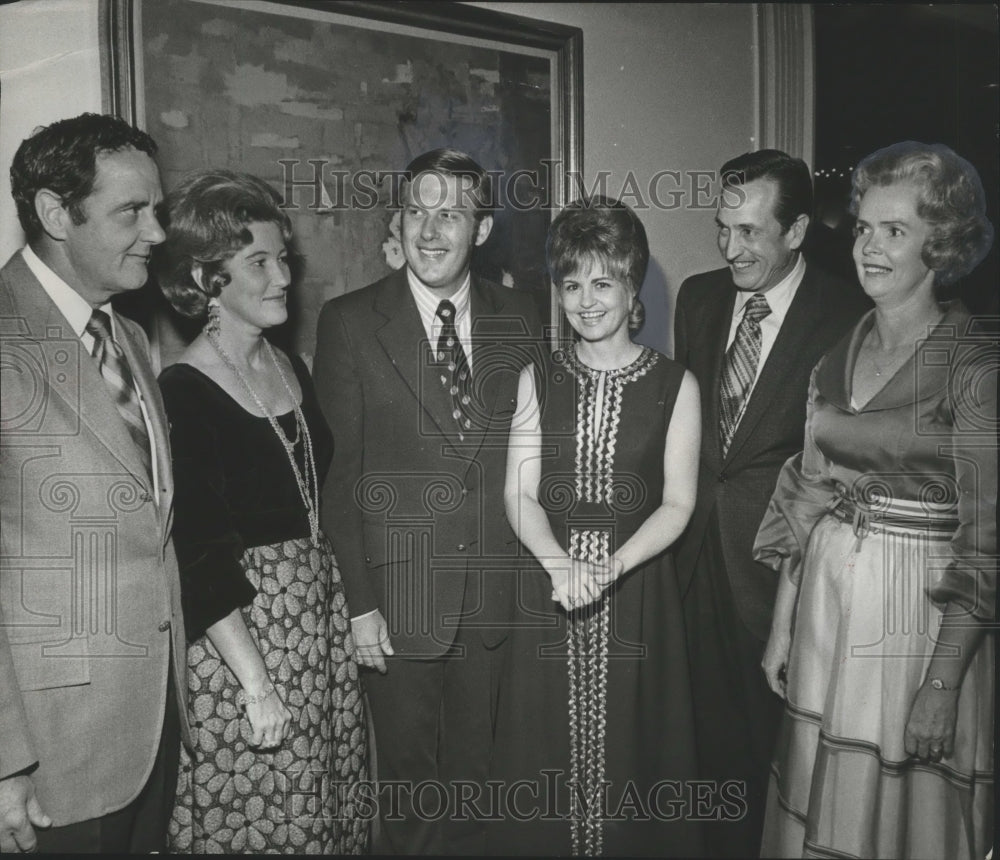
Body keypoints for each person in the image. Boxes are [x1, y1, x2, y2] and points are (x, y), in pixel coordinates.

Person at [754, 141, 995, 859]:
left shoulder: (975, 366)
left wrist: (943, 686)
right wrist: (781, 630)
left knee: (900, 821)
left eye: (896, 231)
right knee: (819, 803)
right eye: (863, 227)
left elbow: (987, 544)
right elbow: (807, 496)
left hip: (914, 635)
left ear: (941, 244)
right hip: (827, 618)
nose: (870, 247)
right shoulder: (838, 352)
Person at [313, 148, 542, 854]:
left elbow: (532, 458)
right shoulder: (350, 322)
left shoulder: (523, 315)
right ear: (398, 220)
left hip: (494, 603)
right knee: (410, 800)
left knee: (477, 791)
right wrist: (358, 606)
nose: (432, 230)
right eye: (418, 211)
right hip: (399, 601)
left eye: (451, 214)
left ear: (482, 228)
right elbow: (340, 478)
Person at [154, 169, 368, 853]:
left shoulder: (289, 366)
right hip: (245, 644)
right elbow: (199, 552)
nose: (283, 277)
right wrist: (257, 686)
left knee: (325, 818)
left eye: (284, 259)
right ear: (207, 280)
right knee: (265, 821)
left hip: (317, 632)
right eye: (260, 263)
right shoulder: (183, 391)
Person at [487, 196, 703, 856]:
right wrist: (559, 562)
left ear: (632, 285)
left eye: (602, 282)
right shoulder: (538, 377)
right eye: (571, 283)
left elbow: (677, 504)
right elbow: (519, 492)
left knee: (635, 754)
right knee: (542, 752)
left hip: (635, 593)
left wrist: (609, 568)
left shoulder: (675, 384)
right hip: (549, 595)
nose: (585, 300)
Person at [672, 148, 871, 856]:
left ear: (796, 232)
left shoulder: (848, 317)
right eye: (723, 228)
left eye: (750, 232)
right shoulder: (696, 298)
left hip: (779, 577)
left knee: (777, 764)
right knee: (701, 757)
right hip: (692, 565)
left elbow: (841, 468)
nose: (732, 248)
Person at [0, 113, 189, 853]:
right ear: (55, 214)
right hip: (49, 756)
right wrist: (6, 761)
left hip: (146, 728)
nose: (158, 232)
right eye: (131, 212)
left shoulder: (129, 337)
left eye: (158, 208)